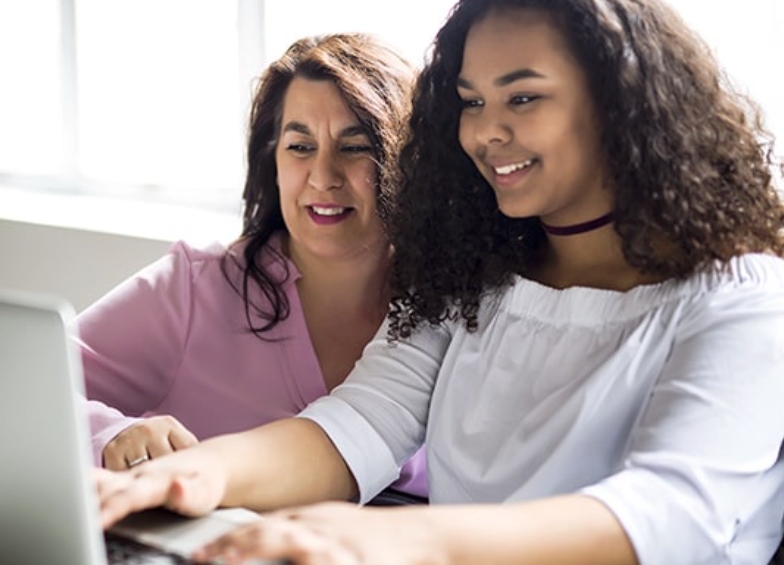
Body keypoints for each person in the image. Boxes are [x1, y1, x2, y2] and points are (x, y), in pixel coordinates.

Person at [95, 0, 784, 563]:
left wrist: (399, 538)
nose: (486, 132)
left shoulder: (742, 299)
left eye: (522, 97)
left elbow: (671, 512)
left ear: (621, 104)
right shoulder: (474, 277)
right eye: (471, 102)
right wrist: (199, 473)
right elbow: (357, 424)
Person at [81, 32, 428, 500]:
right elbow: (20, 387)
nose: (323, 176)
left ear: (407, 160)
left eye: (354, 147)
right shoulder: (193, 289)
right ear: (273, 161)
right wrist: (108, 434)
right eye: (300, 147)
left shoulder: (454, 310)